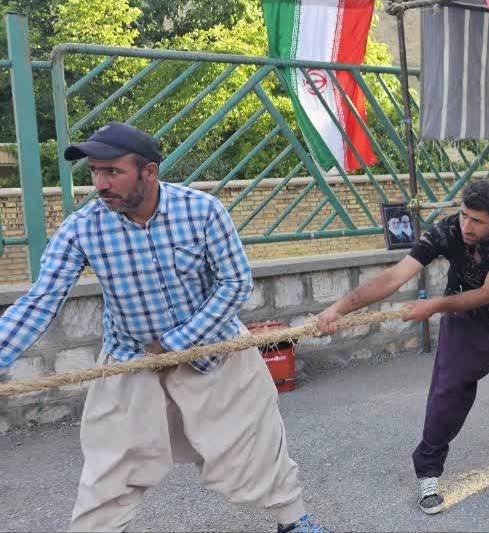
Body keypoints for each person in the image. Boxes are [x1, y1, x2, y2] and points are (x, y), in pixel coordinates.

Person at [0, 123, 326, 533]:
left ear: (149, 173)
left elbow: (235, 284)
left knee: (256, 444)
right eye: (95, 172)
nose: (100, 184)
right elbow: (39, 301)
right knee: (111, 464)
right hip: (132, 359)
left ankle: (294, 521)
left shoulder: (203, 211)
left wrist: (174, 343)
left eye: (112, 172)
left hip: (215, 352)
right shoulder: (82, 228)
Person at [316, 180, 489, 516]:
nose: (466, 226)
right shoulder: (445, 232)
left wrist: (433, 306)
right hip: (464, 314)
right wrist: (338, 309)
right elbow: (393, 277)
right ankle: (428, 471)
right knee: (450, 389)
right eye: (463, 215)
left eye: (477, 221)